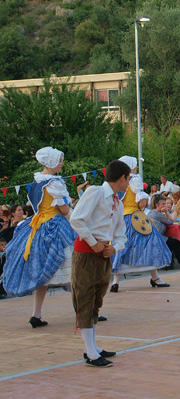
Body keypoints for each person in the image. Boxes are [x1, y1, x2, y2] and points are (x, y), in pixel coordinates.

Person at [2, 147, 76, 328]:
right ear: (50, 162)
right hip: (56, 226)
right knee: (76, 271)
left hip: (37, 227)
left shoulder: (36, 182)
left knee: (43, 274)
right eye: (59, 160)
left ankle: (36, 314)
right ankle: (83, 312)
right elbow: (65, 210)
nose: (61, 163)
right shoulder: (54, 183)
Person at [70, 160, 131, 367]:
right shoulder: (96, 192)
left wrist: (115, 247)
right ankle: (91, 352)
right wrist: (93, 242)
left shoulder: (118, 202)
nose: (128, 183)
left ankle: (92, 347)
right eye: (128, 178)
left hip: (104, 253)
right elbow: (77, 219)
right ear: (122, 178)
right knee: (85, 298)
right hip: (87, 253)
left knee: (97, 299)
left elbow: (121, 232)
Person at [109, 156, 172, 292]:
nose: (137, 167)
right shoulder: (135, 179)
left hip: (121, 218)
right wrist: (142, 206)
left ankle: (115, 282)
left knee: (120, 246)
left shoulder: (118, 180)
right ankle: (155, 278)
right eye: (135, 165)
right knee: (151, 242)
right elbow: (142, 202)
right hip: (136, 217)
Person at [147, 196, 180, 270]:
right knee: (176, 243)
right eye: (163, 204)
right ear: (157, 205)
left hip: (152, 238)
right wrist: (166, 212)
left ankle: (168, 263)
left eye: (165, 204)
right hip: (158, 238)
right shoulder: (158, 214)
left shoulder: (151, 212)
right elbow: (171, 221)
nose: (165, 206)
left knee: (172, 242)